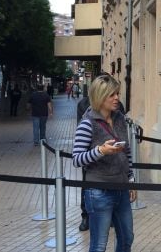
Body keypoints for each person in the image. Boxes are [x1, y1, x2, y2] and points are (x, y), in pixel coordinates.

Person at [72, 74, 135, 252]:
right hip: (99, 192)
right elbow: (77, 159)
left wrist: (131, 179)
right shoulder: (87, 124)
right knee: (99, 245)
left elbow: (127, 152)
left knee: (127, 238)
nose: (117, 98)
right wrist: (100, 151)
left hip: (121, 188)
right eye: (112, 94)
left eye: (117, 93)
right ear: (100, 97)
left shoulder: (120, 119)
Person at [77, 94, 91, 232]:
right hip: (90, 157)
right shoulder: (83, 104)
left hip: (112, 159)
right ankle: (85, 215)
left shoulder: (116, 104)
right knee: (86, 185)